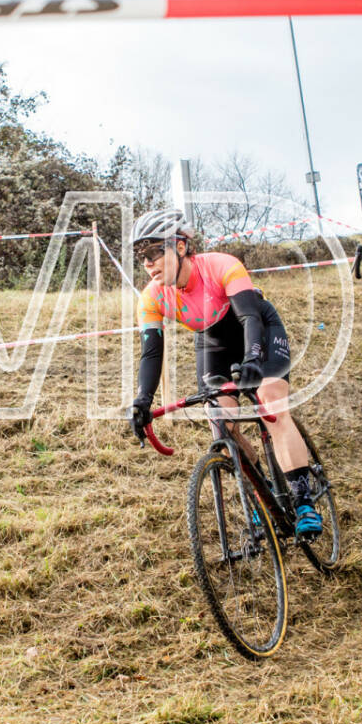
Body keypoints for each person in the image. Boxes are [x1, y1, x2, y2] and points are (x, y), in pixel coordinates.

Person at [126, 209, 321, 538]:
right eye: (141, 256)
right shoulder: (151, 296)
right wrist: (142, 400)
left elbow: (249, 318)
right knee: (221, 423)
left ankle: (304, 501)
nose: (147, 263)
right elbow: (151, 352)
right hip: (212, 342)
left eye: (154, 251)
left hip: (257, 329)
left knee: (272, 403)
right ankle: (263, 493)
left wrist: (253, 359)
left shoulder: (219, 265)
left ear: (181, 247)